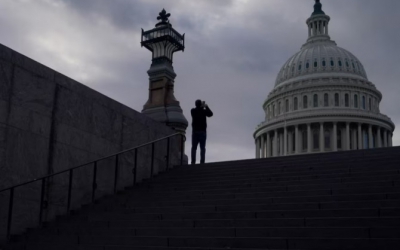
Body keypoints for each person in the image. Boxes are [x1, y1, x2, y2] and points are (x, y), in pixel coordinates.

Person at [191, 99, 213, 164]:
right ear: (200, 104)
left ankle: (193, 161)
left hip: (195, 132)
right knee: (202, 148)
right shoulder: (203, 111)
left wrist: (202, 107)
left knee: (194, 148)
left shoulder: (193, 111)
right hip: (202, 132)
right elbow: (211, 114)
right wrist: (206, 106)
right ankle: (202, 161)